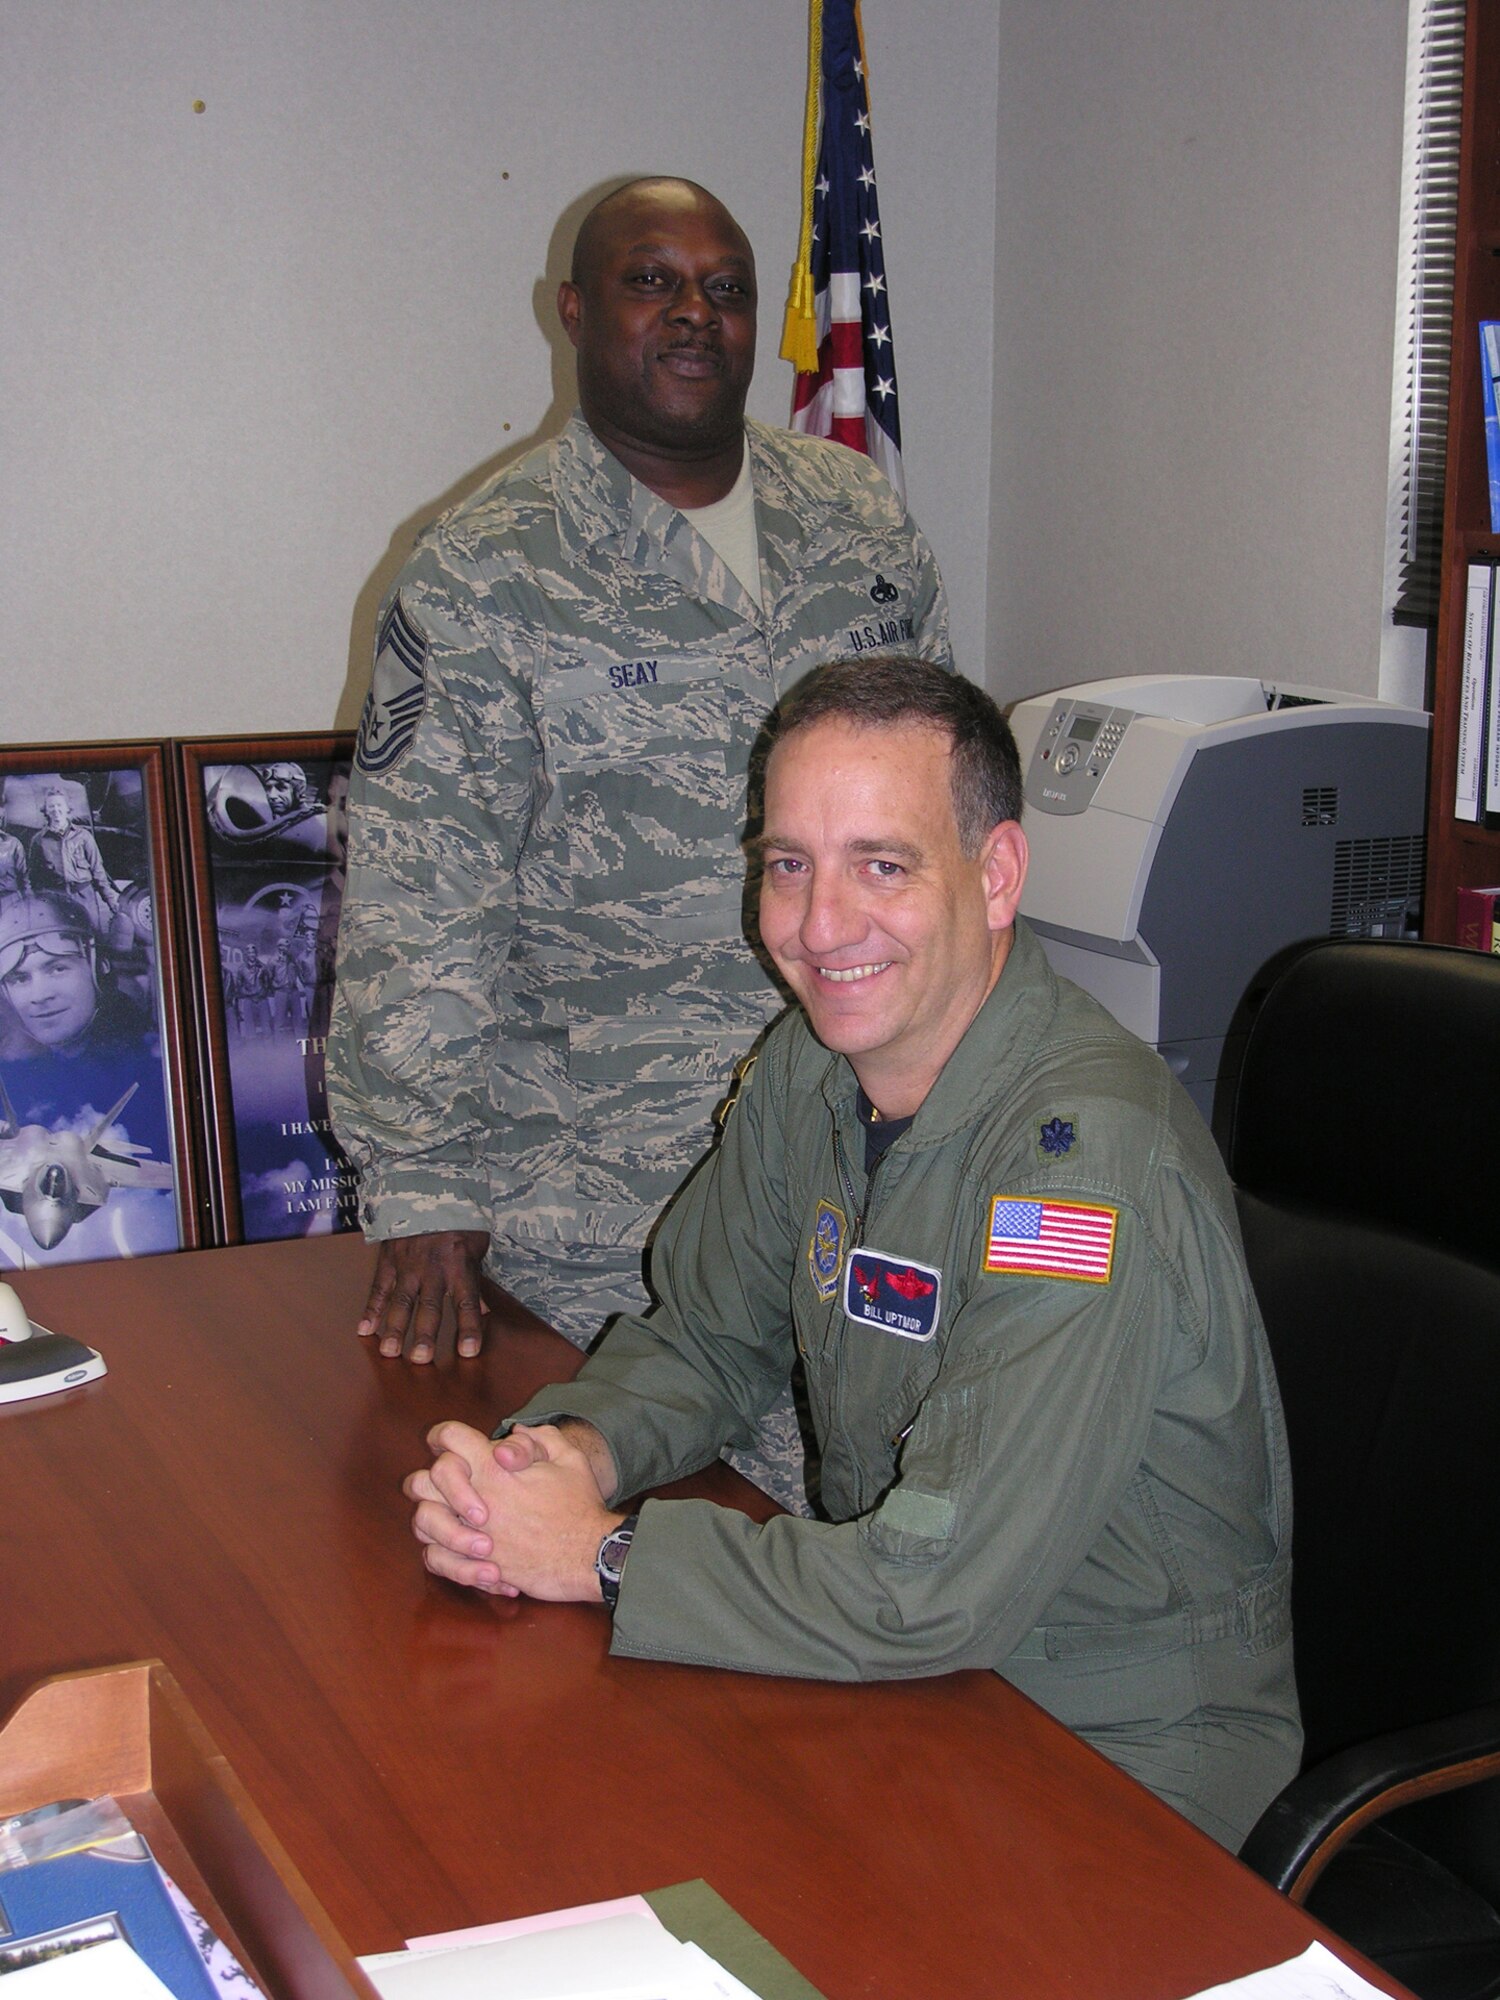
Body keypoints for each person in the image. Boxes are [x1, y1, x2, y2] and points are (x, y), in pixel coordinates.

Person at [405, 658, 1302, 1850]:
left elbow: (938, 1587)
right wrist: (568, 1455)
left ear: (994, 877)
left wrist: (601, 1553)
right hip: (919, 1681)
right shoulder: (816, 1062)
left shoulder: (1078, 1168)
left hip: (1117, 1749)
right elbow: (705, 1335)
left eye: (882, 864)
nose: (819, 927)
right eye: (789, 865)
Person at [327, 177, 950, 1502]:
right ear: (573, 312)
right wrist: (425, 1193)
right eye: (649, 281)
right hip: (605, 1203)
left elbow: (941, 821)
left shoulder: (861, 526)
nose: (693, 315)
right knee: (623, 1588)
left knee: (881, 1558)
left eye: (725, 289)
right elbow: (420, 889)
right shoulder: (485, 567)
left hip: (860, 1159)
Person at [27, 790, 121, 933]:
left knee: (93, 936)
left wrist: (110, 900)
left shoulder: (84, 836)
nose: (56, 810)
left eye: (59, 805)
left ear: (67, 808)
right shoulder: (38, 841)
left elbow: (98, 870)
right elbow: (34, 878)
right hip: (57, 899)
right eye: (51, 806)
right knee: (64, 944)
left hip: (84, 897)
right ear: (45, 810)